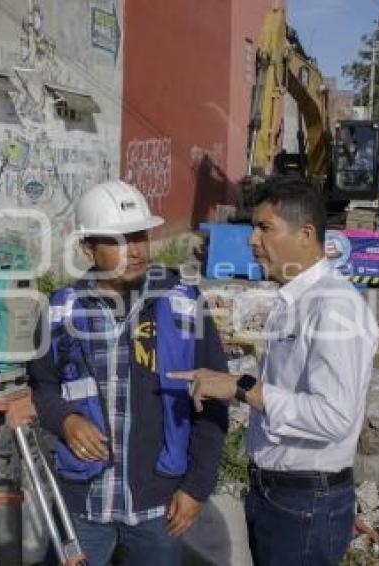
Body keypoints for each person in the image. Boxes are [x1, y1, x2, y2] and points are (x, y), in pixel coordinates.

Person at [171, 177, 379, 566]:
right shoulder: (293, 299)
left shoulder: (333, 307)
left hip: (305, 505)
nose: (252, 240)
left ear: (306, 234)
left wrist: (242, 386)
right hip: (279, 496)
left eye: (265, 228)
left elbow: (334, 417)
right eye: (253, 227)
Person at [29, 180, 228, 566]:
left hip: (159, 509)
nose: (136, 249)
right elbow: (42, 386)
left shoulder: (184, 305)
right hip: (84, 505)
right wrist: (65, 420)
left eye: (139, 235)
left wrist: (197, 488)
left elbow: (214, 401)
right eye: (120, 239)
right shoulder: (61, 311)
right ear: (88, 247)